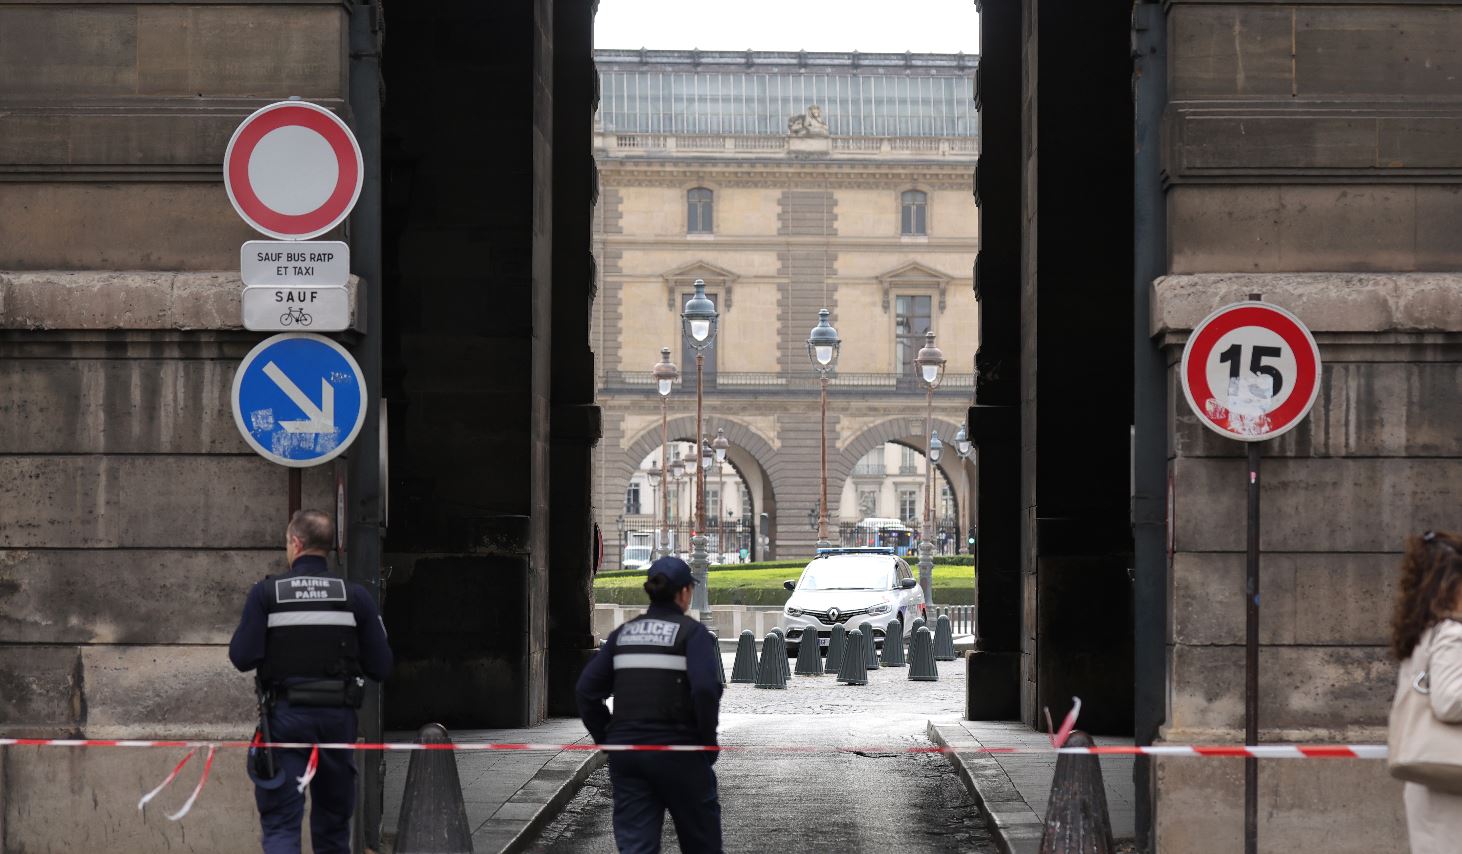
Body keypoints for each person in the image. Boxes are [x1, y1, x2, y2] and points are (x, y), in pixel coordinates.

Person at [229, 509, 393, 854]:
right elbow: (381, 665)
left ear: (296, 543)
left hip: (285, 718)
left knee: (281, 822)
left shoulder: (267, 594)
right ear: (328, 547)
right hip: (338, 718)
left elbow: (242, 657)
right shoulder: (354, 597)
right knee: (334, 824)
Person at [577, 556, 724, 853]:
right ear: (684, 592)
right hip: (681, 752)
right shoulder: (692, 634)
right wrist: (707, 743)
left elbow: (586, 691)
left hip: (629, 754)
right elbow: (707, 689)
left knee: (637, 846)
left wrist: (609, 740)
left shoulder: (623, 635)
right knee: (701, 841)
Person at [1391, 530, 1462, 853]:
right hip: (1452, 779)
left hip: (1431, 773)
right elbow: (1449, 701)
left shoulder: (1420, 634)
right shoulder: (1452, 634)